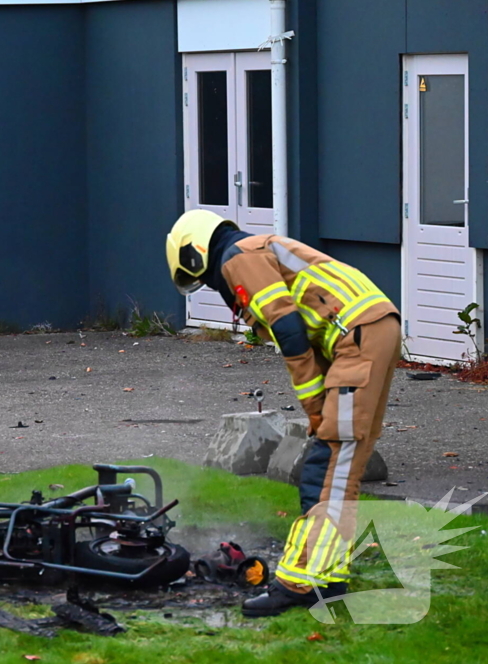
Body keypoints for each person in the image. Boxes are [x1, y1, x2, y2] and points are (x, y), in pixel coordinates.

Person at [165, 210, 400, 617]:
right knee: (342, 468)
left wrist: (315, 409)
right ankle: (328, 578)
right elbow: (309, 324)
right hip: (369, 332)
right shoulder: (257, 248)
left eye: (203, 280)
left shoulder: (237, 257)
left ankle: (297, 584)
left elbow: (289, 330)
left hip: (356, 339)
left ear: (195, 253)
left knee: (325, 467)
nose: (218, 290)